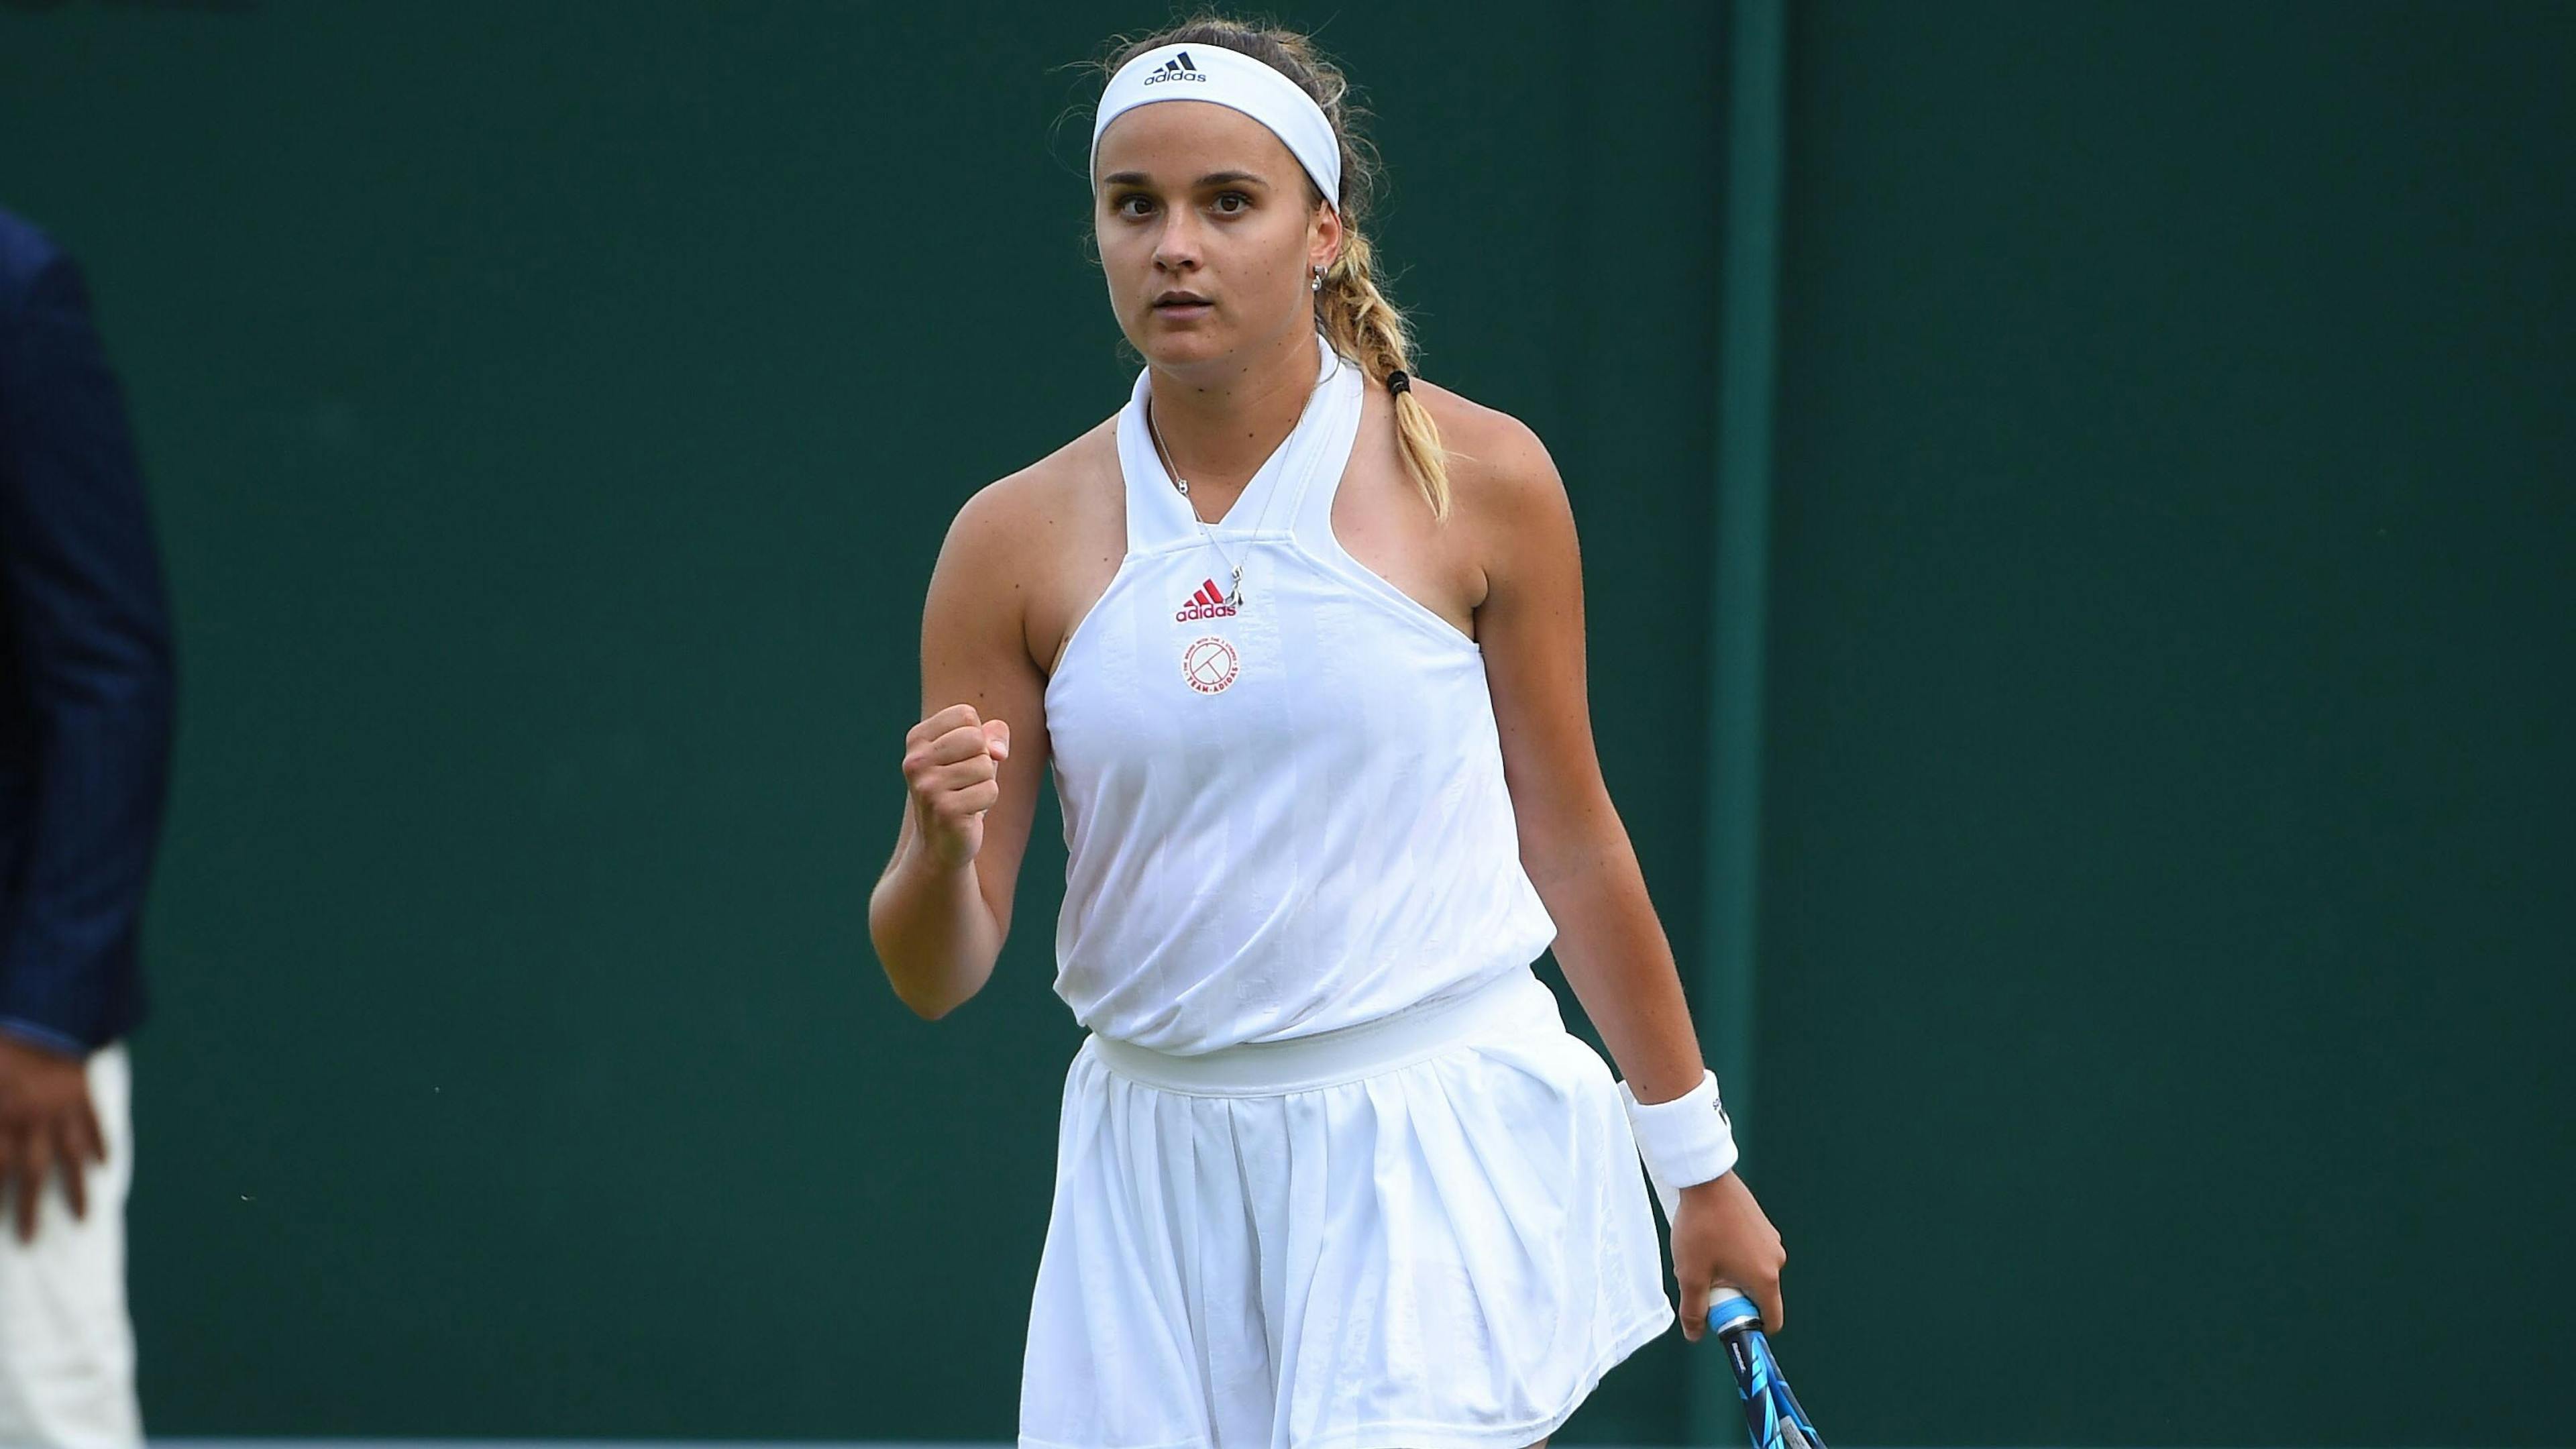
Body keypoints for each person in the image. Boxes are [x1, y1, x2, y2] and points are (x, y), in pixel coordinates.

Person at [869, 17, 1786, 1448]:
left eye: (1227, 203)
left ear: (1322, 234)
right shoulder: (1008, 543)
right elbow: (938, 974)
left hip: (1421, 1162)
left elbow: (1573, 838)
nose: (1176, 244)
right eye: (1137, 207)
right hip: (1147, 1191)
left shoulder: (1484, 482)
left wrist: (1699, 1168)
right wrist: (937, 849)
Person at [0, 206, 173, 1449]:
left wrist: (43, 1012)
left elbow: (110, 665)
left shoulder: (12, 291)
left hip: (8, 1026)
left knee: (45, 1409)